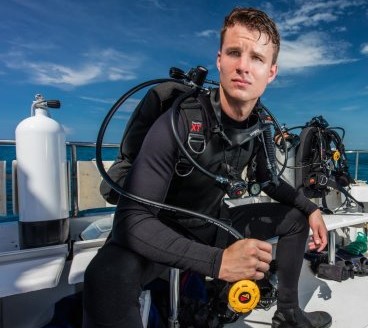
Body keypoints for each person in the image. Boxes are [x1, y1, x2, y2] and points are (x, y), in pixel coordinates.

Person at [83, 7, 332, 328]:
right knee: (104, 278)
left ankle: (288, 313)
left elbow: (268, 180)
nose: (243, 66)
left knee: (295, 219)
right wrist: (218, 262)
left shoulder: (256, 127)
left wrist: (310, 208)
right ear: (219, 60)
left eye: (257, 58)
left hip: (212, 222)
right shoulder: (178, 120)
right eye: (234, 53)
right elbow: (132, 222)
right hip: (157, 229)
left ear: (271, 72)